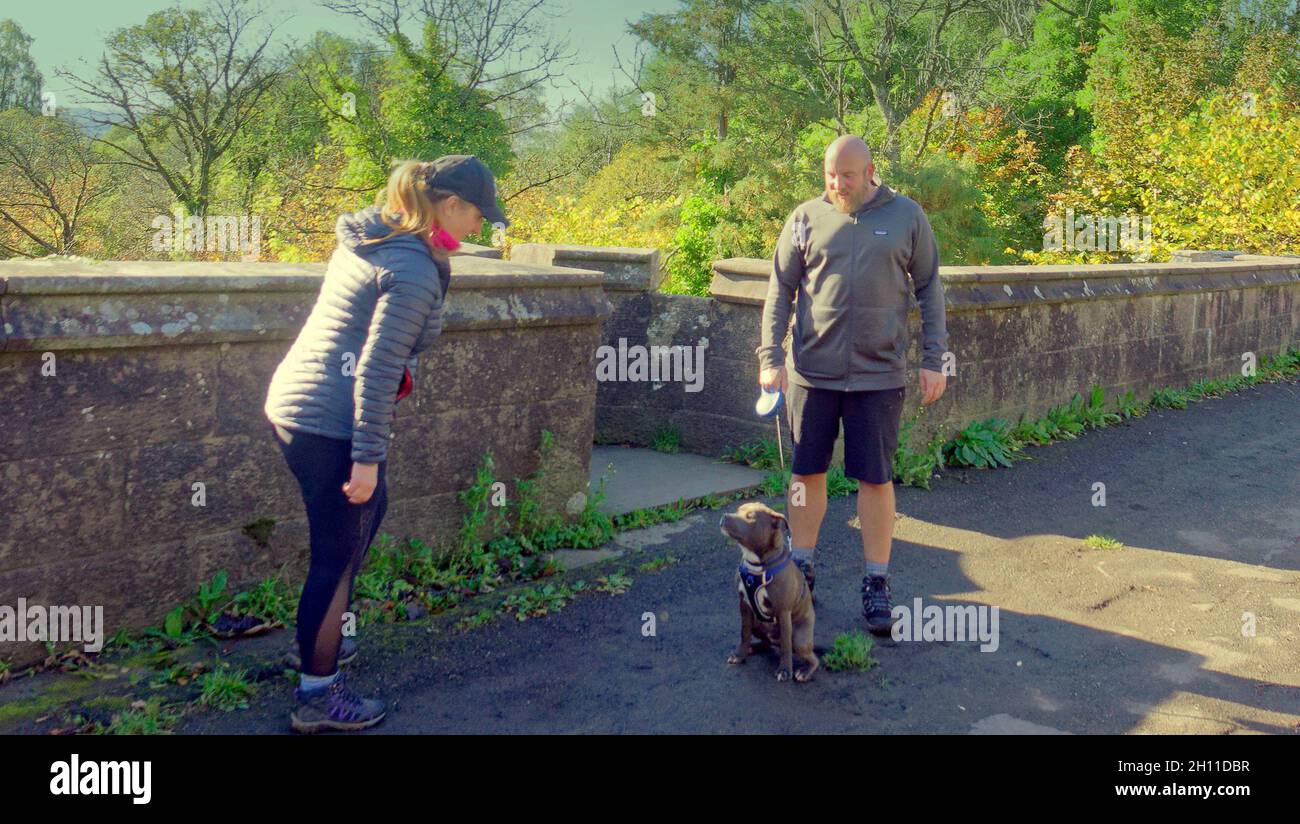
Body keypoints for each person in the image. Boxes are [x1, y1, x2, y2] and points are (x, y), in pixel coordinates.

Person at [263, 155, 508, 732]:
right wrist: (367, 459)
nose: (478, 227)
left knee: (361, 524)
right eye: (476, 214)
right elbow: (375, 370)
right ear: (450, 205)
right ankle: (318, 694)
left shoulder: (377, 233)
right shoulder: (414, 268)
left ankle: (315, 646)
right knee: (337, 553)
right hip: (330, 421)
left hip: (297, 405)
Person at [757, 135, 949, 635]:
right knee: (805, 474)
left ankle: (877, 581)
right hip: (811, 372)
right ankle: (799, 569)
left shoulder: (907, 217)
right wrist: (769, 357)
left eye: (846, 175)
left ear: (869, 172)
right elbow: (780, 287)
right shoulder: (804, 218)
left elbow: (929, 287)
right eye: (829, 174)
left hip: (878, 374)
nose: (836, 184)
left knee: (876, 479)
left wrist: (934, 359)